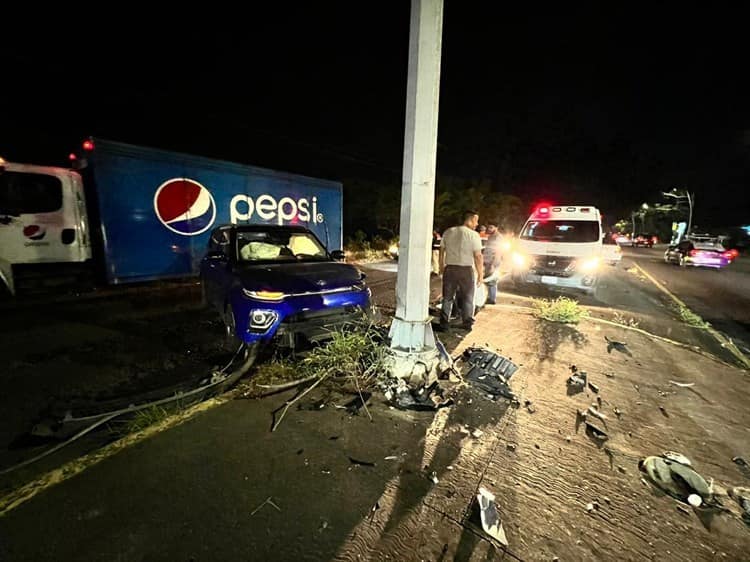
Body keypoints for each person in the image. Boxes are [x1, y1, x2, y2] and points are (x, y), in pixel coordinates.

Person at [439, 210, 483, 332]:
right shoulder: (473, 235)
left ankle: (444, 322)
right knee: (468, 297)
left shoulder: (449, 232)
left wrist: (441, 266)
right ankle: (467, 322)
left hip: (450, 268)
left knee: (447, 297)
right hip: (466, 270)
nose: (477, 224)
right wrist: (480, 274)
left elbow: (442, 250)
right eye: (476, 221)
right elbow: (478, 256)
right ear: (470, 219)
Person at [482, 223, 502, 305]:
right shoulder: (491, 237)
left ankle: (492, 298)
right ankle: (490, 297)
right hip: (488, 261)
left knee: (492, 280)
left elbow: (498, 251)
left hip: (493, 262)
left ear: (496, 228)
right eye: (488, 227)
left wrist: (493, 264)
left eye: (491, 227)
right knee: (488, 279)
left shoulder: (498, 237)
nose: (489, 229)